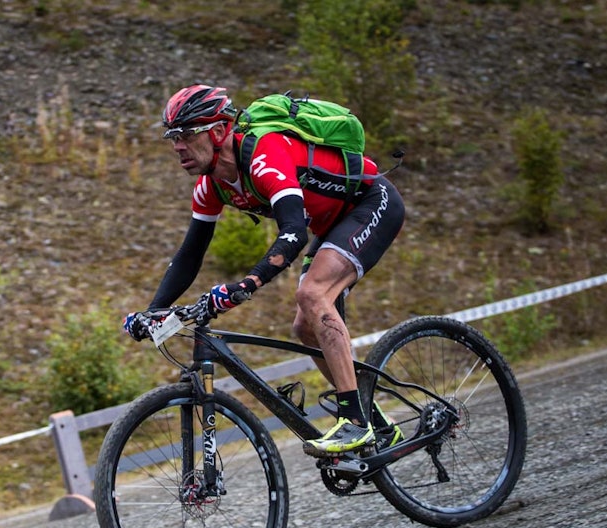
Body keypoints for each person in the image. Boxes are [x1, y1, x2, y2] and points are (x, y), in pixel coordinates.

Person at [124, 85, 406, 457]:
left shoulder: (263, 154)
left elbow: (293, 233)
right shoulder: (211, 186)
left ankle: (355, 422)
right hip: (331, 223)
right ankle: (380, 426)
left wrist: (245, 285)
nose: (178, 145)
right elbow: (190, 253)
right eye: (173, 137)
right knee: (304, 326)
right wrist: (154, 310)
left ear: (219, 131)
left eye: (188, 134)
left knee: (311, 294)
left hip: (371, 203)